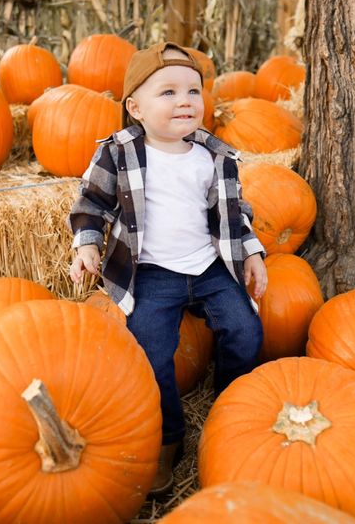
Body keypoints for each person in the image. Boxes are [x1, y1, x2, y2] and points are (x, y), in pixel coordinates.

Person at [69, 41, 267, 496]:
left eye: (193, 92)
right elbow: (89, 204)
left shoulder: (214, 156)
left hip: (210, 266)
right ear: (135, 107)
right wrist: (87, 245)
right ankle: (168, 436)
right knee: (149, 351)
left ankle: (231, 411)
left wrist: (252, 253)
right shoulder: (116, 154)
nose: (185, 102)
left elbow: (236, 216)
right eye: (169, 93)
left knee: (246, 331)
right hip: (153, 271)